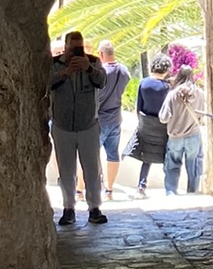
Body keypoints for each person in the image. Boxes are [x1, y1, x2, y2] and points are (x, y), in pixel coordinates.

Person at [48, 30, 107, 226]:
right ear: (66, 46)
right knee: (66, 170)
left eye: (80, 46)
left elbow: (102, 82)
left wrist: (88, 69)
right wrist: (65, 73)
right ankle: (68, 208)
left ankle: (94, 207)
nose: (77, 50)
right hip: (62, 125)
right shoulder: (55, 64)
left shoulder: (93, 62)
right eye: (73, 47)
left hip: (88, 124)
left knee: (92, 168)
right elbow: (47, 84)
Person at [130, 55, 172, 196]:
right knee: (166, 154)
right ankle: (170, 187)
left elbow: (138, 107)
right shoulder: (167, 87)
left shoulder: (144, 83)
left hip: (146, 124)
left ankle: (141, 185)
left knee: (147, 158)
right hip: (162, 126)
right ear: (166, 70)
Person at [162, 65, 205, 196]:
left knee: (173, 165)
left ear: (179, 76)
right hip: (193, 135)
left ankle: (171, 192)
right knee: (194, 166)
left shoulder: (172, 95)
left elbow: (163, 118)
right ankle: (192, 191)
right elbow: (202, 115)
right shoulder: (200, 94)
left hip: (175, 137)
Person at [96, 40, 131, 198]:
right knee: (113, 154)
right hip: (116, 118)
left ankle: (82, 190)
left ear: (101, 54)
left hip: (99, 120)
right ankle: (109, 190)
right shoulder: (124, 71)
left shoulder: (101, 72)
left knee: (90, 154)